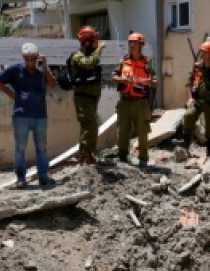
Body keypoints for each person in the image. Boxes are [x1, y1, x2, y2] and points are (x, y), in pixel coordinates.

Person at [0, 43, 57, 188]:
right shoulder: (15, 69)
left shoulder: (42, 72)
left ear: (37, 57)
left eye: (33, 59)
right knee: (20, 148)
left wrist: (45, 66)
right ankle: (21, 177)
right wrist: (9, 92)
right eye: (27, 59)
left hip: (40, 115)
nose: (30, 62)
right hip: (21, 115)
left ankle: (43, 176)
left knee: (42, 147)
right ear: (23, 58)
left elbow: (53, 83)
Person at [111, 32, 157, 168]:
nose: (132, 46)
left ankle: (143, 159)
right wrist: (122, 79)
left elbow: (155, 81)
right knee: (123, 130)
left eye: (135, 43)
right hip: (125, 101)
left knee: (142, 131)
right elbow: (113, 76)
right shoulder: (123, 61)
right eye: (130, 43)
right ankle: (122, 156)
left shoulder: (147, 63)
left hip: (140, 103)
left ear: (141, 46)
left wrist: (149, 81)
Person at [63, 26, 105, 165]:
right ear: (87, 41)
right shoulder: (78, 56)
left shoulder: (89, 55)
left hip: (92, 98)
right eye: (94, 40)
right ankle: (85, 156)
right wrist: (99, 50)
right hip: (83, 98)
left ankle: (87, 154)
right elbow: (88, 64)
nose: (96, 43)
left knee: (90, 126)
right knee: (90, 125)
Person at [183, 40, 210, 157]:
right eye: (201, 51)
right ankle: (185, 145)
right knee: (188, 115)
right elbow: (188, 83)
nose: (202, 53)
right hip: (198, 101)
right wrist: (189, 98)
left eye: (204, 52)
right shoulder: (197, 68)